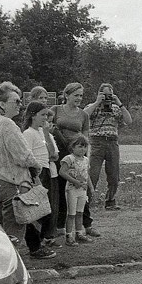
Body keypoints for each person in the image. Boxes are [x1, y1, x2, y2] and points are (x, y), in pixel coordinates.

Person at [0, 82, 42, 246]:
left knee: (2, 231)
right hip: (12, 182)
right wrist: (37, 165)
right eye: (15, 101)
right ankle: (12, 266)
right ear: (2, 104)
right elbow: (23, 155)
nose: (20, 105)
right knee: (14, 233)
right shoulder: (7, 124)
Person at [51, 82, 99, 239]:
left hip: (76, 154)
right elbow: (48, 128)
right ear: (66, 95)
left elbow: (86, 138)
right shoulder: (56, 110)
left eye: (81, 95)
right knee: (60, 189)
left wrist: (86, 157)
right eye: (76, 95)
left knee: (79, 188)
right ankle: (59, 225)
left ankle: (86, 224)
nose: (79, 98)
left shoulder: (83, 115)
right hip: (59, 152)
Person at [21, 101, 61, 257]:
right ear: (33, 115)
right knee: (38, 209)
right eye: (42, 115)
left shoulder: (46, 133)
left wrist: (46, 135)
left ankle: (43, 239)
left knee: (48, 207)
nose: (45, 118)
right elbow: (28, 155)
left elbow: (54, 155)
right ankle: (35, 244)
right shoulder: (28, 133)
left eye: (47, 115)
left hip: (48, 170)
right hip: (37, 172)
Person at [84, 83, 132, 211]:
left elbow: (129, 121)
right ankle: (86, 202)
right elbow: (83, 116)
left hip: (112, 141)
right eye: (104, 95)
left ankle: (110, 200)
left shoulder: (116, 108)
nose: (107, 98)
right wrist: (97, 103)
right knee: (93, 173)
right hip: (97, 142)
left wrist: (119, 103)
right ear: (99, 94)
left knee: (114, 174)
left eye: (109, 95)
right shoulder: (92, 106)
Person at [59, 134, 95, 246]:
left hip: (82, 190)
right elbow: (62, 172)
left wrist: (91, 187)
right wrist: (74, 181)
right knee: (72, 213)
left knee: (80, 212)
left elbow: (86, 174)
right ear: (73, 147)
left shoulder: (86, 160)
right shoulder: (69, 159)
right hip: (72, 189)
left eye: (84, 147)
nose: (82, 149)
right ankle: (69, 235)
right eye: (80, 146)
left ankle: (79, 233)